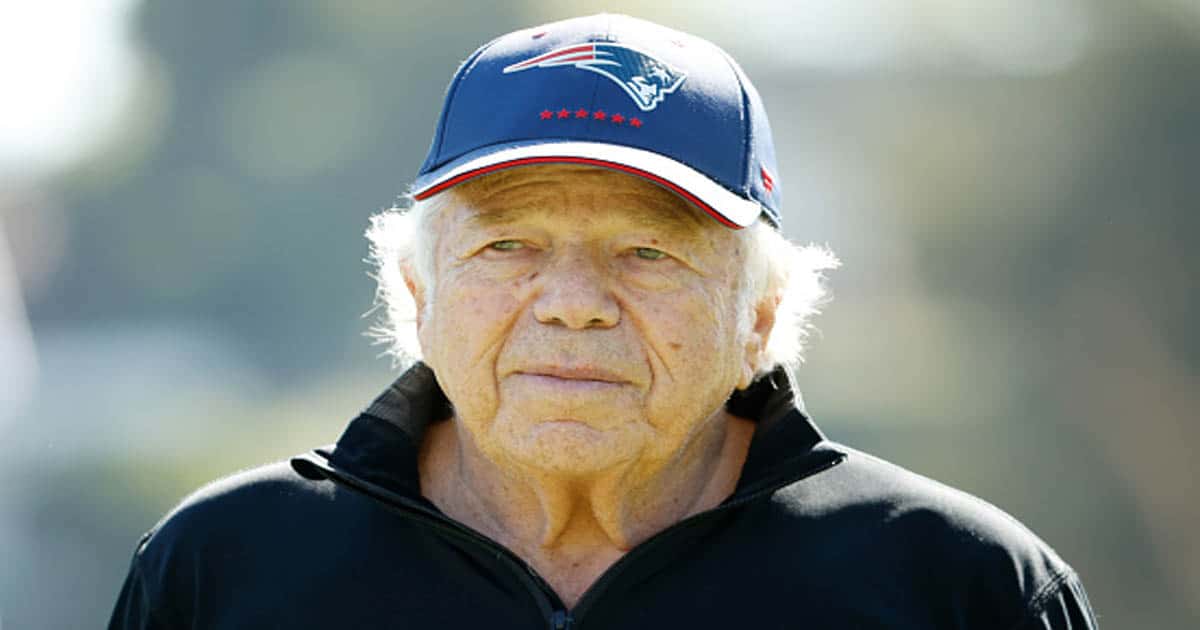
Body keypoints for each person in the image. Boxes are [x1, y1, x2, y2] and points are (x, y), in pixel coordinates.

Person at [109, 13, 1099, 629]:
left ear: (761, 313)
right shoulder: (226, 569)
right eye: (509, 245)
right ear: (417, 295)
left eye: (648, 252)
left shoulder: (961, 588)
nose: (574, 302)